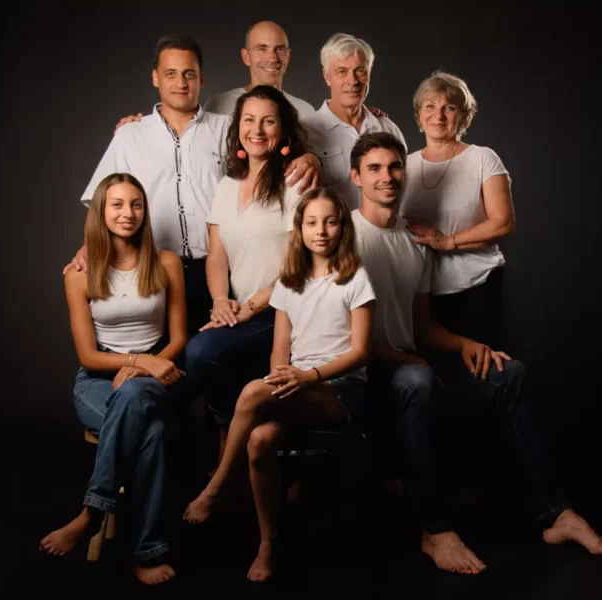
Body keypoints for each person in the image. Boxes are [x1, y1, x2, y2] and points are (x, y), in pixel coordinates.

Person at [348, 132, 602, 575]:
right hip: (363, 367)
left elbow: (419, 325)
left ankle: (557, 514)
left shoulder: (413, 241)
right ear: (355, 176)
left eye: (395, 167)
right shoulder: (344, 236)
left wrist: (465, 344)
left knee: (507, 371)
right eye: (375, 169)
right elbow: (340, 336)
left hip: (408, 359)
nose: (387, 177)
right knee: (418, 381)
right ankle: (435, 531)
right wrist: (408, 361)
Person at [65, 34, 320, 332]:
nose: (180, 83)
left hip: (214, 271)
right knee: (166, 360)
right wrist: (88, 246)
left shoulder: (227, 128)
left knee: (213, 360)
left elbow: (270, 147)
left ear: (202, 78)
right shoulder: (130, 136)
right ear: (155, 78)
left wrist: (311, 158)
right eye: (170, 74)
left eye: (189, 74)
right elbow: (99, 201)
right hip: (152, 268)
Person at [184, 188, 375, 582]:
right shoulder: (289, 282)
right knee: (258, 441)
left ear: (342, 227)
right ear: (299, 229)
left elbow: (361, 352)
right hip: (296, 388)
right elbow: (280, 350)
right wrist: (283, 379)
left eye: (330, 221)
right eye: (311, 222)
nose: (320, 231)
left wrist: (308, 376)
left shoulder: (355, 276)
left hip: (338, 390)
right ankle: (268, 543)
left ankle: (217, 484)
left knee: (254, 391)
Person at [40, 173, 189, 585]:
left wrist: (145, 365)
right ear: (101, 213)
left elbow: (178, 339)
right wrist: (137, 361)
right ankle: (146, 552)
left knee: (138, 394)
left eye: (136, 204)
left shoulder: (166, 263)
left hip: (157, 370)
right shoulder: (79, 275)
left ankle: (92, 513)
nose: (128, 213)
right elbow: (88, 355)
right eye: (118, 205)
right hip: (98, 378)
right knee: (152, 431)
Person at [184, 85, 310, 449]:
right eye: (249, 120)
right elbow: (217, 255)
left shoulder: (294, 183)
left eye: (268, 121)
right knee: (203, 358)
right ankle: (240, 432)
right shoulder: (228, 184)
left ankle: (231, 436)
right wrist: (221, 301)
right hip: (241, 309)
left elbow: (299, 265)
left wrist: (249, 308)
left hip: (284, 310)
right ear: (238, 127)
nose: (257, 130)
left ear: (283, 130)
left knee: (201, 352)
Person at [400, 71, 514, 349]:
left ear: (464, 116)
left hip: (476, 286)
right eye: (430, 106)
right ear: (419, 114)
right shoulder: (403, 164)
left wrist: (446, 241)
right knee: (434, 376)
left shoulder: (482, 158)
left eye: (449, 108)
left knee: (481, 371)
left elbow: (503, 223)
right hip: (420, 293)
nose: (438, 115)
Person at [301, 33, 407, 210]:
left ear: (369, 73)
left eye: (360, 71)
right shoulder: (306, 132)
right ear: (327, 76)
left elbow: (404, 190)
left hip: (383, 235)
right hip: (333, 237)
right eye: (342, 71)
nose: (353, 81)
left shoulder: (388, 128)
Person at [203, 20, 316, 118]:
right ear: (246, 56)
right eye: (262, 49)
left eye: (280, 49)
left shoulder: (306, 113)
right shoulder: (218, 108)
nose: (272, 58)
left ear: (288, 56)